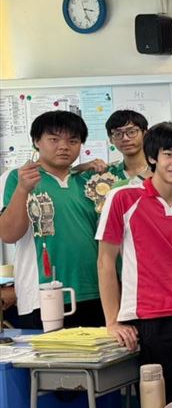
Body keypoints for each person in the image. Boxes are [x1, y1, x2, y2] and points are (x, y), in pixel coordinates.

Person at [96, 122, 172, 399]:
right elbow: (105, 262)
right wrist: (113, 321)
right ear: (152, 157)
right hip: (152, 316)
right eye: (168, 154)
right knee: (163, 402)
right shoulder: (123, 197)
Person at [0, 110, 106, 327]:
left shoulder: (87, 181)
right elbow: (8, 235)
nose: (64, 146)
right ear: (36, 141)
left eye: (73, 141)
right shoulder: (18, 177)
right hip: (43, 295)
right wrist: (22, 189)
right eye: (54, 139)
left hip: (95, 291)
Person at [105, 109, 150, 181]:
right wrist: (84, 166)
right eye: (118, 134)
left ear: (144, 135)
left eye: (131, 132)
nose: (125, 138)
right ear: (111, 139)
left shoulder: (160, 170)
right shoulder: (107, 175)